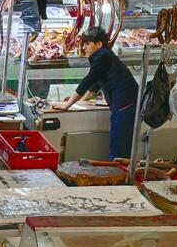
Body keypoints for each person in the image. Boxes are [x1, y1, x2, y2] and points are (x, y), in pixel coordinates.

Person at [51, 27, 139, 161]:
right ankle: (121, 176)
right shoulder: (104, 55)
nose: (84, 47)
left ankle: (120, 178)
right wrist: (81, 101)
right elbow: (96, 84)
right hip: (125, 106)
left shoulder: (103, 55)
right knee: (120, 147)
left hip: (125, 106)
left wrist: (67, 105)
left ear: (99, 44)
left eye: (87, 44)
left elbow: (88, 80)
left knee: (119, 150)